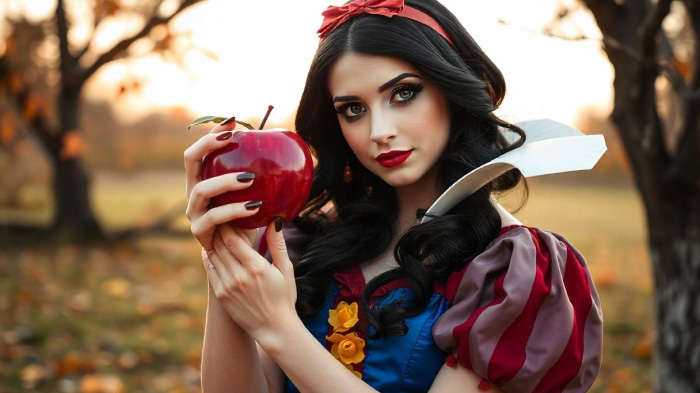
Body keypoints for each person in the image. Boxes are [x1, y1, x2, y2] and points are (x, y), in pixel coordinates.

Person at [183, 0, 603, 392]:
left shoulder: (516, 272)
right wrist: (225, 255)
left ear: (451, 88)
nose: (378, 131)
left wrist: (278, 328)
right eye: (353, 109)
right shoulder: (307, 243)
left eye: (403, 93)